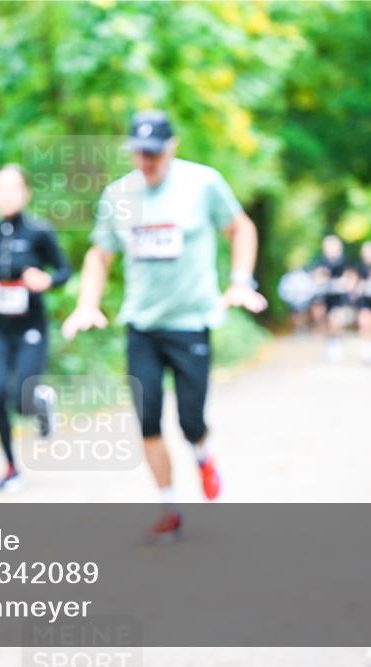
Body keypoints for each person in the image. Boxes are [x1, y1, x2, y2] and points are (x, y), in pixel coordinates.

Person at [62, 111, 266, 540]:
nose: (147, 160)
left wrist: (241, 281)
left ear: (172, 147)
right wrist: (87, 303)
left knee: (191, 420)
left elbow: (240, 228)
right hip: (143, 326)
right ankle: (169, 506)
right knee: (148, 419)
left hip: (191, 323)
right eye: (139, 152)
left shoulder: (203, 183)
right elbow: (100, 254)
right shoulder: (119, 195)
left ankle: (202, 453)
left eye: (154, 152)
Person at [0, 164, 72, 492]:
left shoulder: (39, 232)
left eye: (12, 188)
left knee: (22, 398)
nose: (6, 195)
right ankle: (11, 467)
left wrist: (47, 280)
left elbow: (64, 270)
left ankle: (40, 400)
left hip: (31, 327)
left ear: (25, 193)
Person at [311, 235, 355, 362]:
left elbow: (351, 276)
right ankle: (330, 340)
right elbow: (316, 277)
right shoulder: (319, 261)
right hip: (324, 297)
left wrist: (346, 284)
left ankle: (336, 342)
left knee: (337, 319)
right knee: (325, 321)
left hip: (339, 296)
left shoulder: (345, 261)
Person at [276, 263, 316, 335]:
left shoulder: (305, 277)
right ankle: (298, 330)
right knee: (295, 312)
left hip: (305, 302)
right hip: (292, 302)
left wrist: (305, 299)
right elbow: (283, 291)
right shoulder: (287, 277)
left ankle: (303, 328)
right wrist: (290, 299)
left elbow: (311, 289)